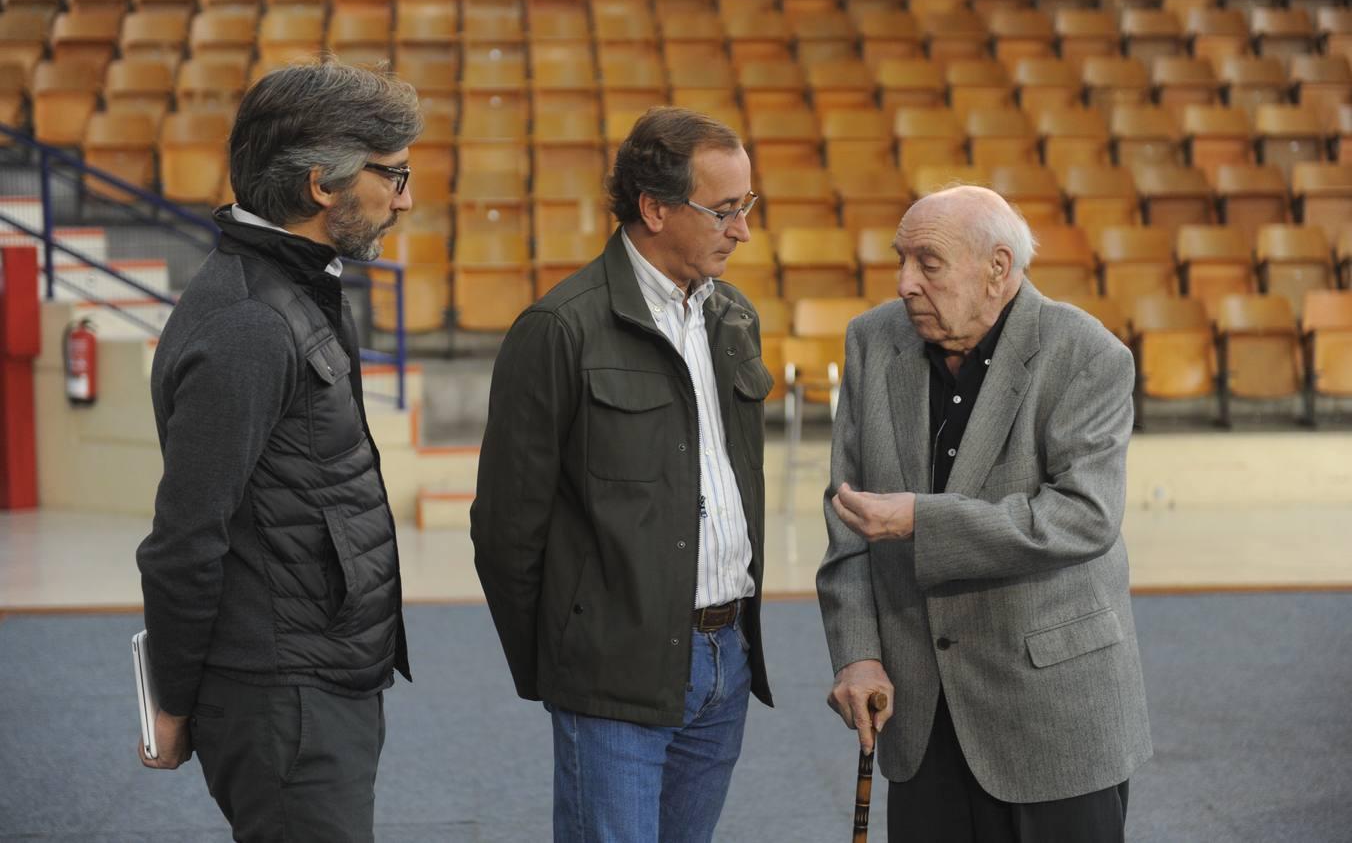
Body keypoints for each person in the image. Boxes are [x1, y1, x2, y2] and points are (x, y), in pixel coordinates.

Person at [135, 60, 422, 842]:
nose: (406, 198)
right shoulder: (249, 325)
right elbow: (183, 542)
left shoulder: (296, 289)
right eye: (393, 176)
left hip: (319, 670)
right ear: (322, 184)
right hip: (283, 693)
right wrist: (173, 698)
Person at [471, 106, 775, 843]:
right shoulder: (560, 329)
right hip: (613, 673)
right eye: (725, 210)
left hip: (726, 660)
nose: (742, 230)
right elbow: (507, 530)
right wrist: (567, 661)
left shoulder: (733, 315)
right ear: (655, 208)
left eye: (748, 207)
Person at [817, 186, 1152, 842]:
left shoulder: (1086, 355)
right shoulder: (872, 340)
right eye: (901, 259)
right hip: (920, 715)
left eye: (928, 263)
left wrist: (923, 521)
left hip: (1052, 716)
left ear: (998, 268)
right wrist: (856, 653)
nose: (905, 281)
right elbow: (847, 521)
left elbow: (1083, 516)